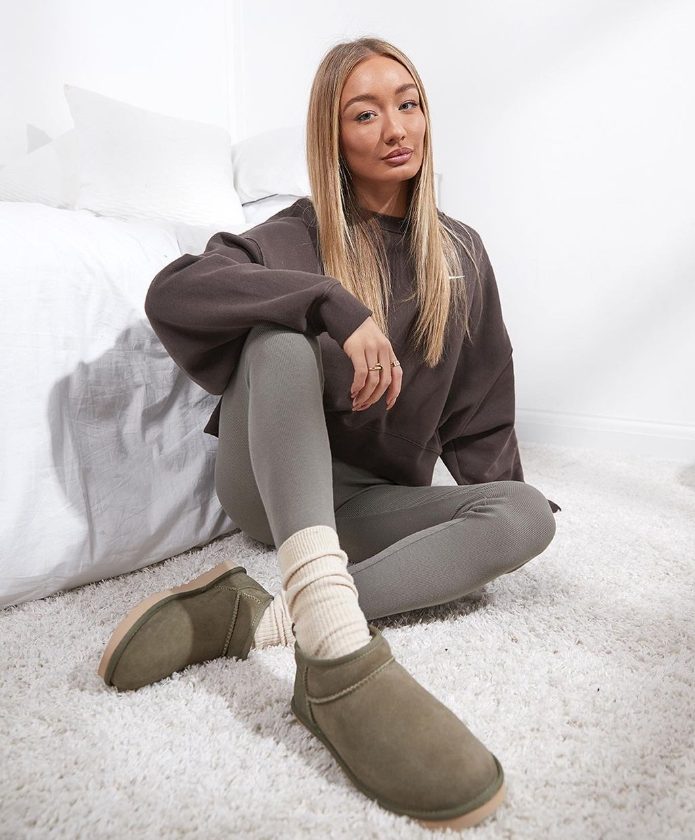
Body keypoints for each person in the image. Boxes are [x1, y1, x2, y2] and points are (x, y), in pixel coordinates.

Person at [98, 37, 559, 830]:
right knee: (277, 340)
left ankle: (266, 615)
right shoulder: (296, 233)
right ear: (332, 136)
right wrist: (325, 304)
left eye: (407, 104)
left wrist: (495, 505)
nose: (395, 128)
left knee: (524, 515)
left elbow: (481, 402)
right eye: (365, 114)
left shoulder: (460, 251)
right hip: (270, 490)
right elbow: (173, 293)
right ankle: (336, 650)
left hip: (371, 503)